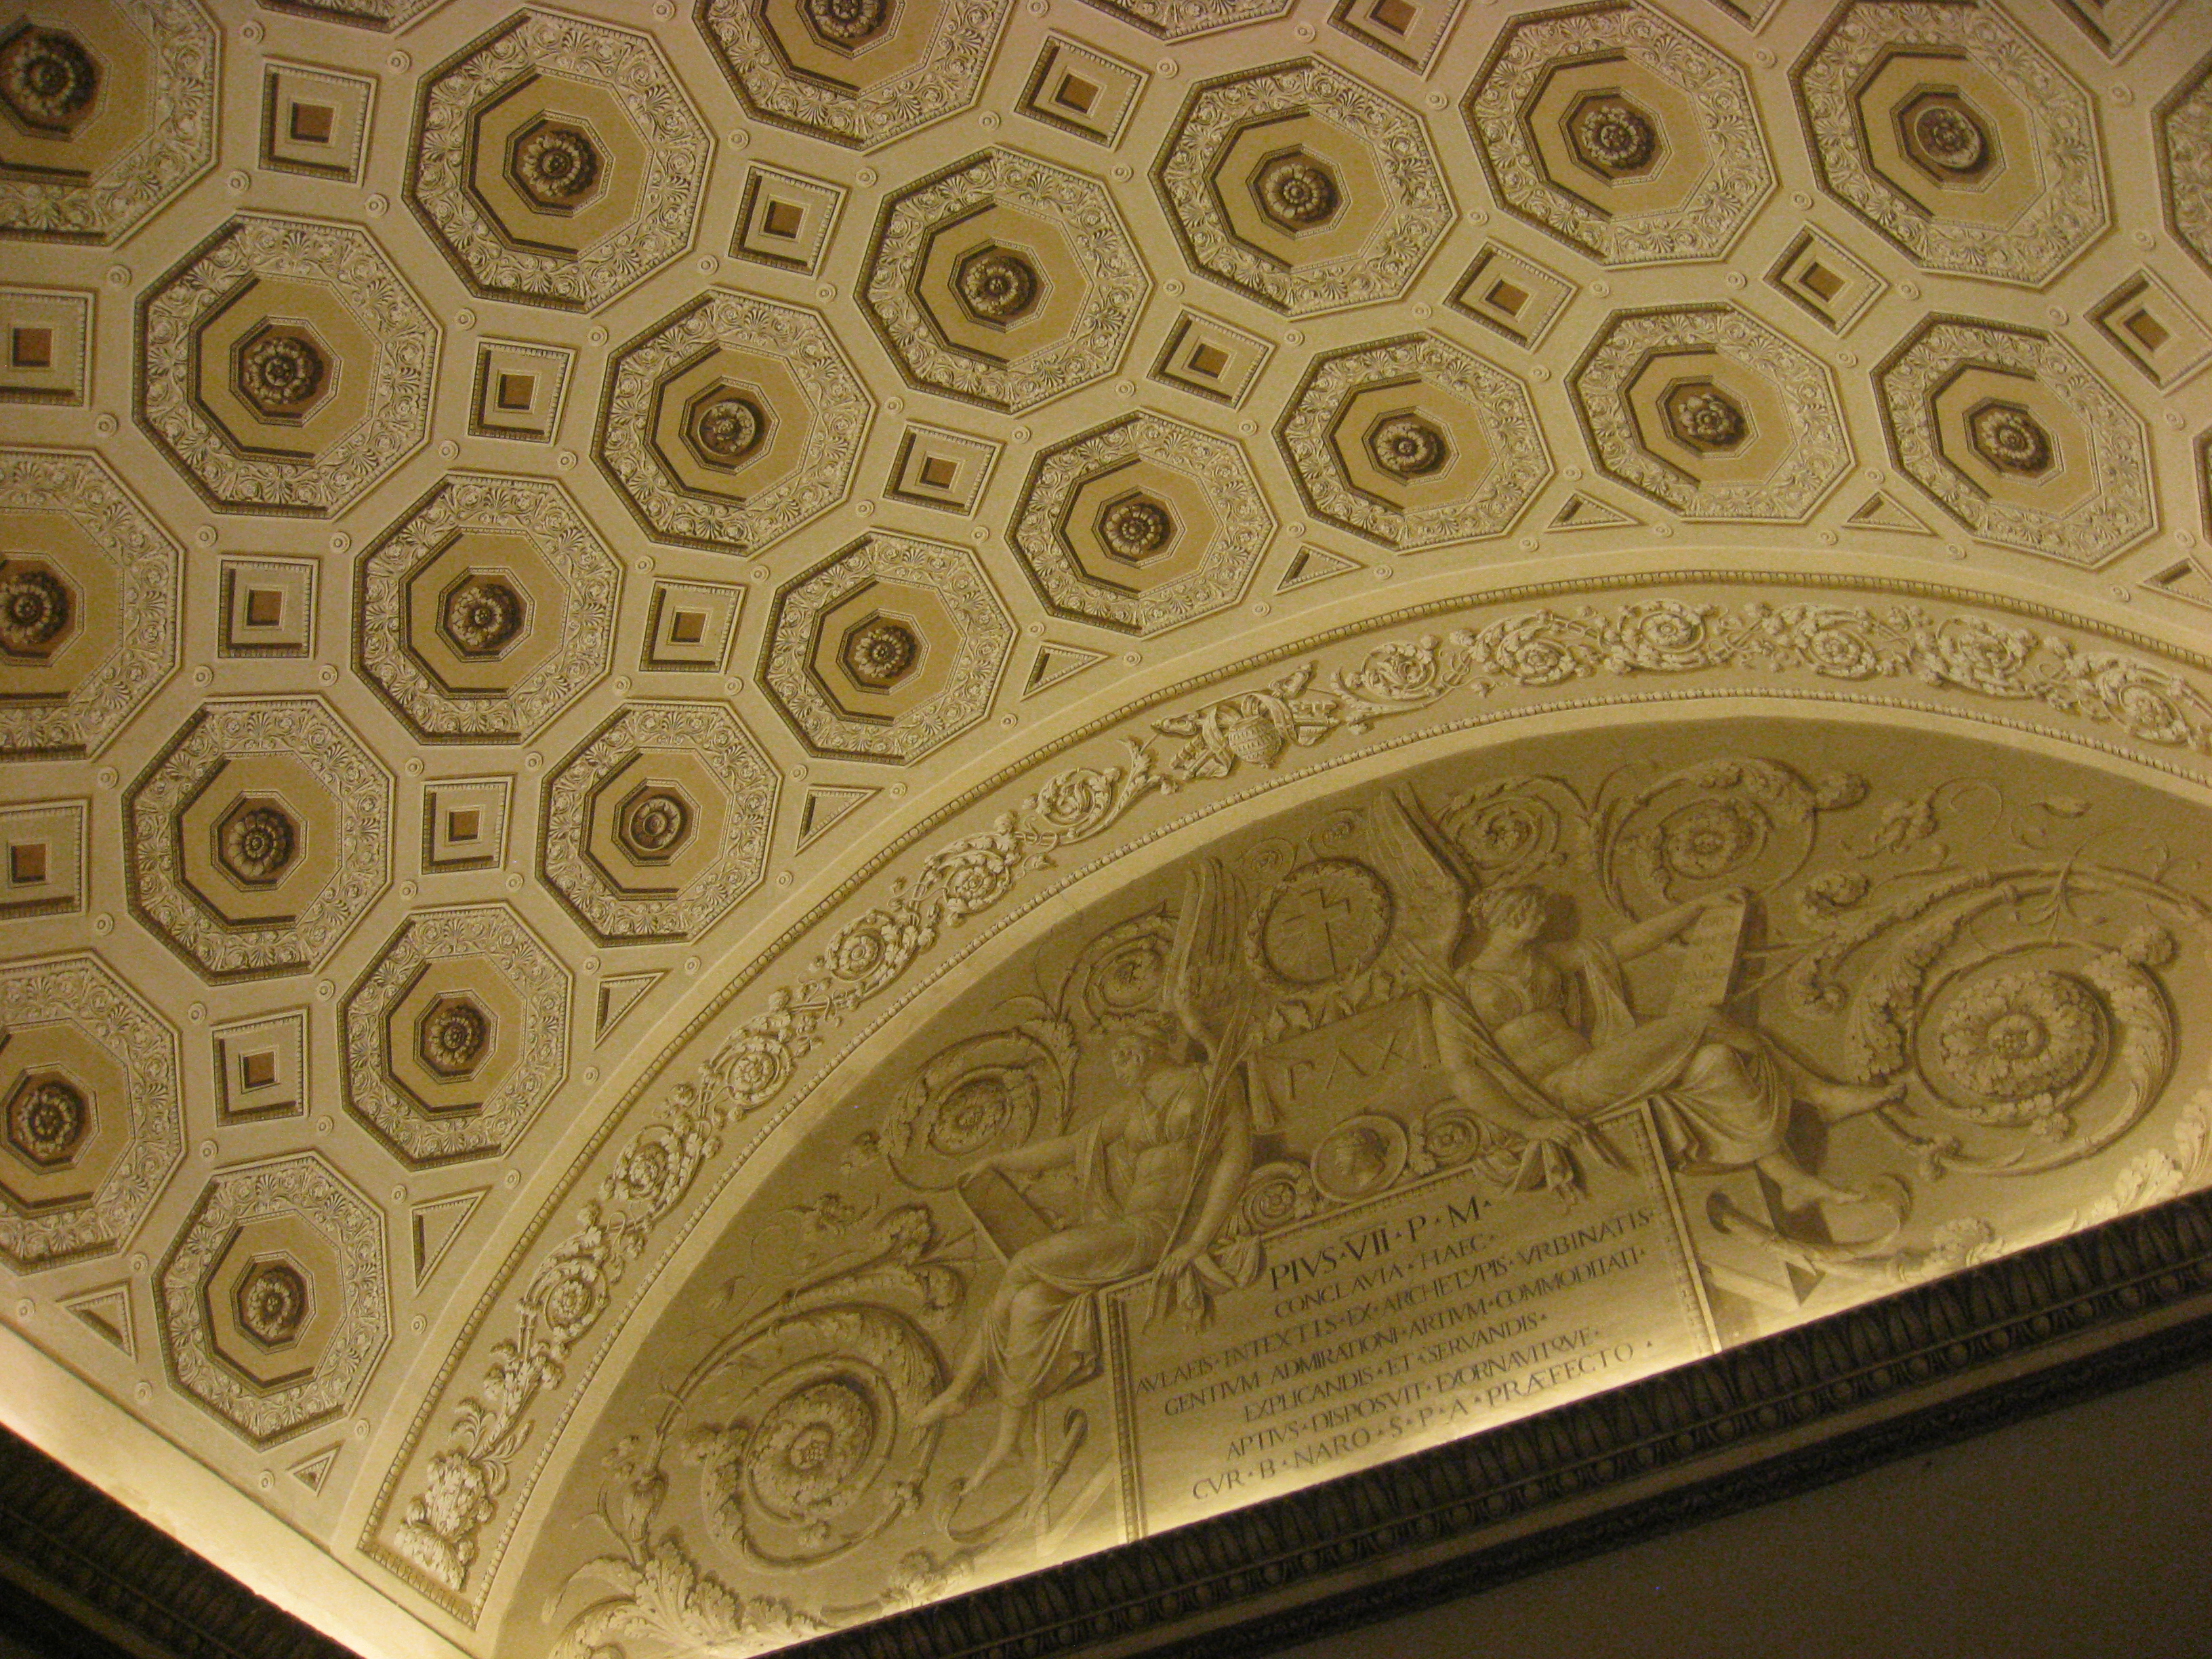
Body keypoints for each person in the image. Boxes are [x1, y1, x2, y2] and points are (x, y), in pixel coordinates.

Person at [914, 1014, 1252, 1490]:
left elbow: (1236, 1158)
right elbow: (1071, 1147)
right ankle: (1008, 1442)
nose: (1120, 1064)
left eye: (1126, 1053)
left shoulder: (1208, 1083)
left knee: (1025, 1263)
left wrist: (1197, 1241)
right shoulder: (1132, 1110)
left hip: (1161, 1230)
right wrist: (999, 1160)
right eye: (1117, 1058)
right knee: (1031, 1302)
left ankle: (961, 1387)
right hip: (1125, 1229)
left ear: (1151, 1047)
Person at [1430, 882, 1896, 1206]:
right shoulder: (1459, 992)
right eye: (1528, 914)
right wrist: (1530, 1125)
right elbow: (1463, 1075)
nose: (1538, 921)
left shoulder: (1546, 959)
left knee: (1716, 1060)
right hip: (1561, 1090)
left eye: (1538, 913)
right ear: (1502, 918)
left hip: (1596, 1068)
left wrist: (1696, 908)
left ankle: (1790, 1179)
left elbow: (1624, 945)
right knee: (1707, 1021)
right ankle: (1817, 1094)